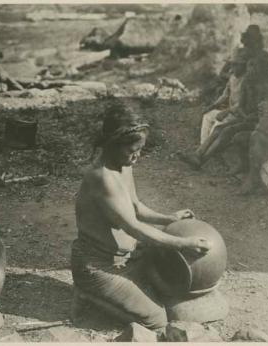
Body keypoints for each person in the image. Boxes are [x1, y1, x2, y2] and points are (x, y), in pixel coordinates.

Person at [71, 102, 211, 329]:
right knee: (157, 320)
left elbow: (136, 207)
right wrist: (182, 243)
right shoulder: (102, 178)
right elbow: (133, 227)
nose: (137, 156)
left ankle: (121, 290)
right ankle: (89, 295)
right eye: (132, 150)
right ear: (113, 144)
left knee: (170, 288)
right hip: (99, 267)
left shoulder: (123, 165)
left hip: (127, 257)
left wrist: (169, 218)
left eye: (140, 150)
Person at [181, 56, 268, 171]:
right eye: (250, 66)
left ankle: (202, 159)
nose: (251, 70)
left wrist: (240, 114)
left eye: (255, 67)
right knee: (218, 128)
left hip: (255, 120)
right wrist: (214, 106)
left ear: (262, 69)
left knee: (225, 129)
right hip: (243, 116)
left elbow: (261, 111)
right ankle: (198, 153)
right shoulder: (247, 82)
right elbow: (240, 104)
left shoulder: (265, 87)